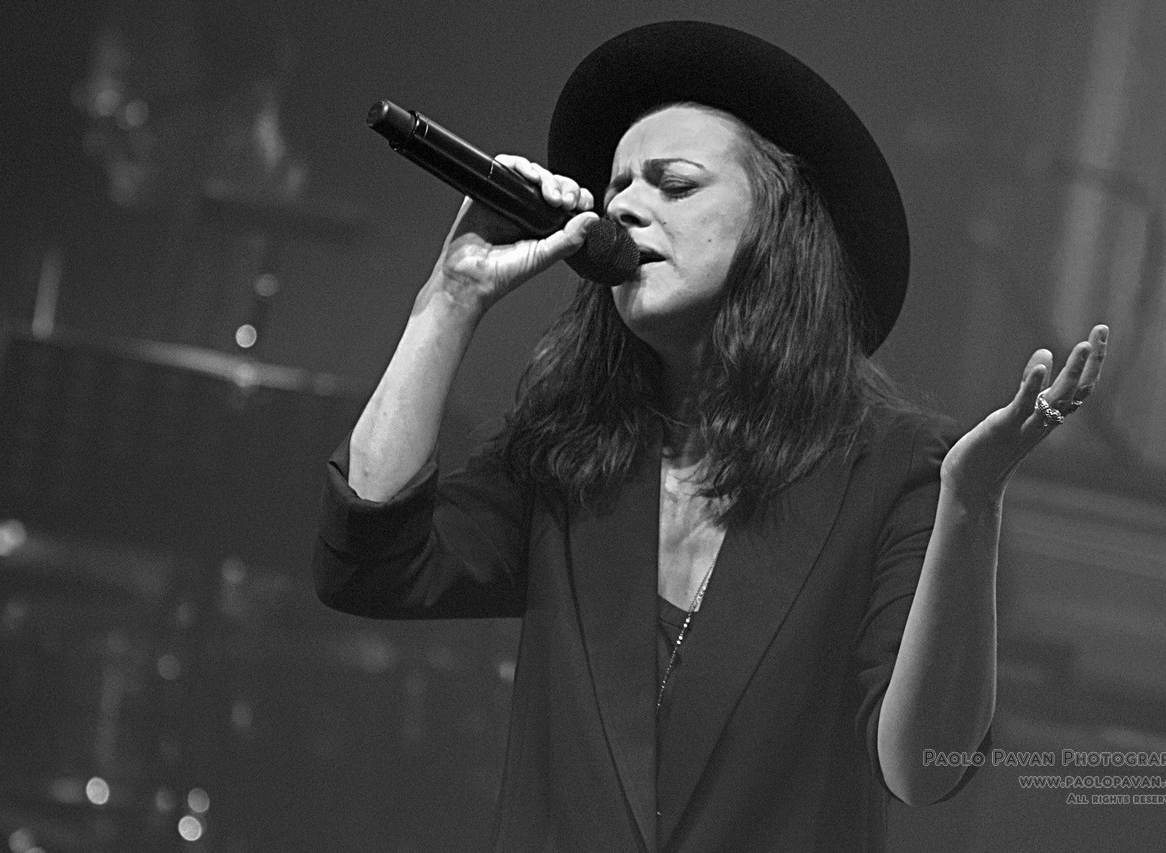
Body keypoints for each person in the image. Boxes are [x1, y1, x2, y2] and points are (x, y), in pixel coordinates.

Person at [315, 20, 1108, 853]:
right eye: (618, 187)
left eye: (675, 185)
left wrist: (971, 505)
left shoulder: (895, 468)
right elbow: (370, 562)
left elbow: (925, 768)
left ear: (778, 225)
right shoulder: (571, 448)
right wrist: (450, 299)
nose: (625, 206)